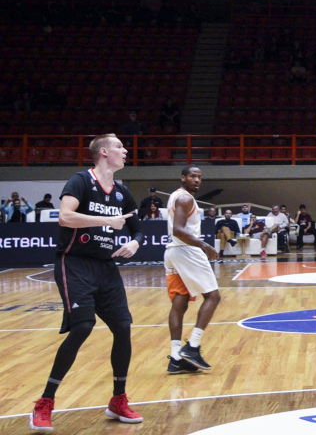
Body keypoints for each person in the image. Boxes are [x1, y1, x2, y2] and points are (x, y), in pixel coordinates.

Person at [32, 134, 145, 432]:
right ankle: (45, 402)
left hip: (106, 267)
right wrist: (105, 222)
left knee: (123, 327)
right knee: (83, 326)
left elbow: (137, 229)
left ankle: (118, 399)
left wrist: (134, 243)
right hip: (75, 264)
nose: (125, 151)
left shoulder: (121, 192)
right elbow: (65, 217)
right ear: (104, 152)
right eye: (120, 147)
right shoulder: (80, 180)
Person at [164, 166, 221, 374]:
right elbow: (178, 230)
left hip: (173, 252)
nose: (197, 180)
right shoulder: (185, 199)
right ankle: (193, 346)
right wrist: (204, 245)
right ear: (183, 177)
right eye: (192, 176)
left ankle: (176, 358)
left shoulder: (176, 196)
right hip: (186, 250)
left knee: (180, 301)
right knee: (213, 297)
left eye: (199, 177)